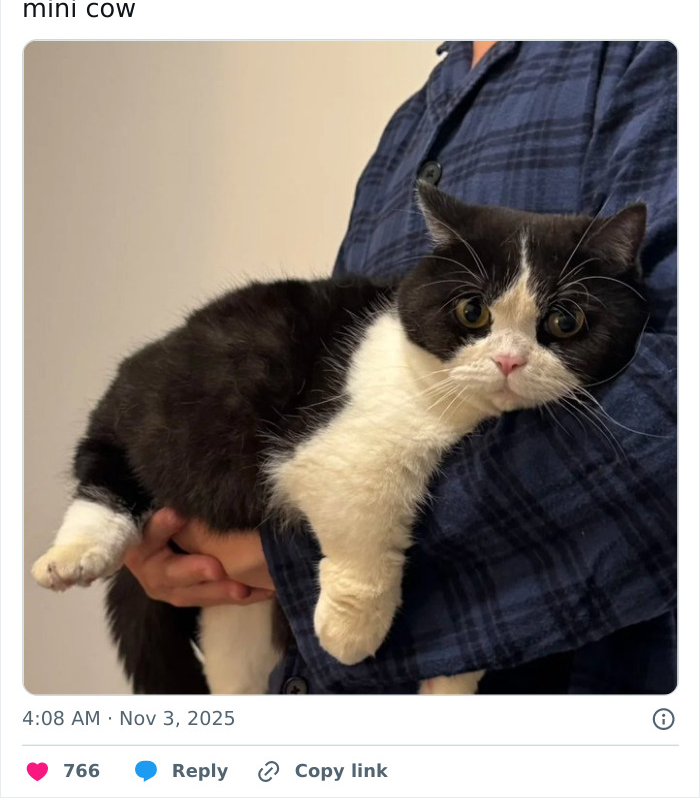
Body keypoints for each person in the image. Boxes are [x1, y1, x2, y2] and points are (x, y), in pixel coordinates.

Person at [125, 41, 676, 694]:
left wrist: (293, 550)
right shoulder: (410, 125)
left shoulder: (651, 55)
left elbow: (670, 414)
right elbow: (340, 395)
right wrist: (188, 541)